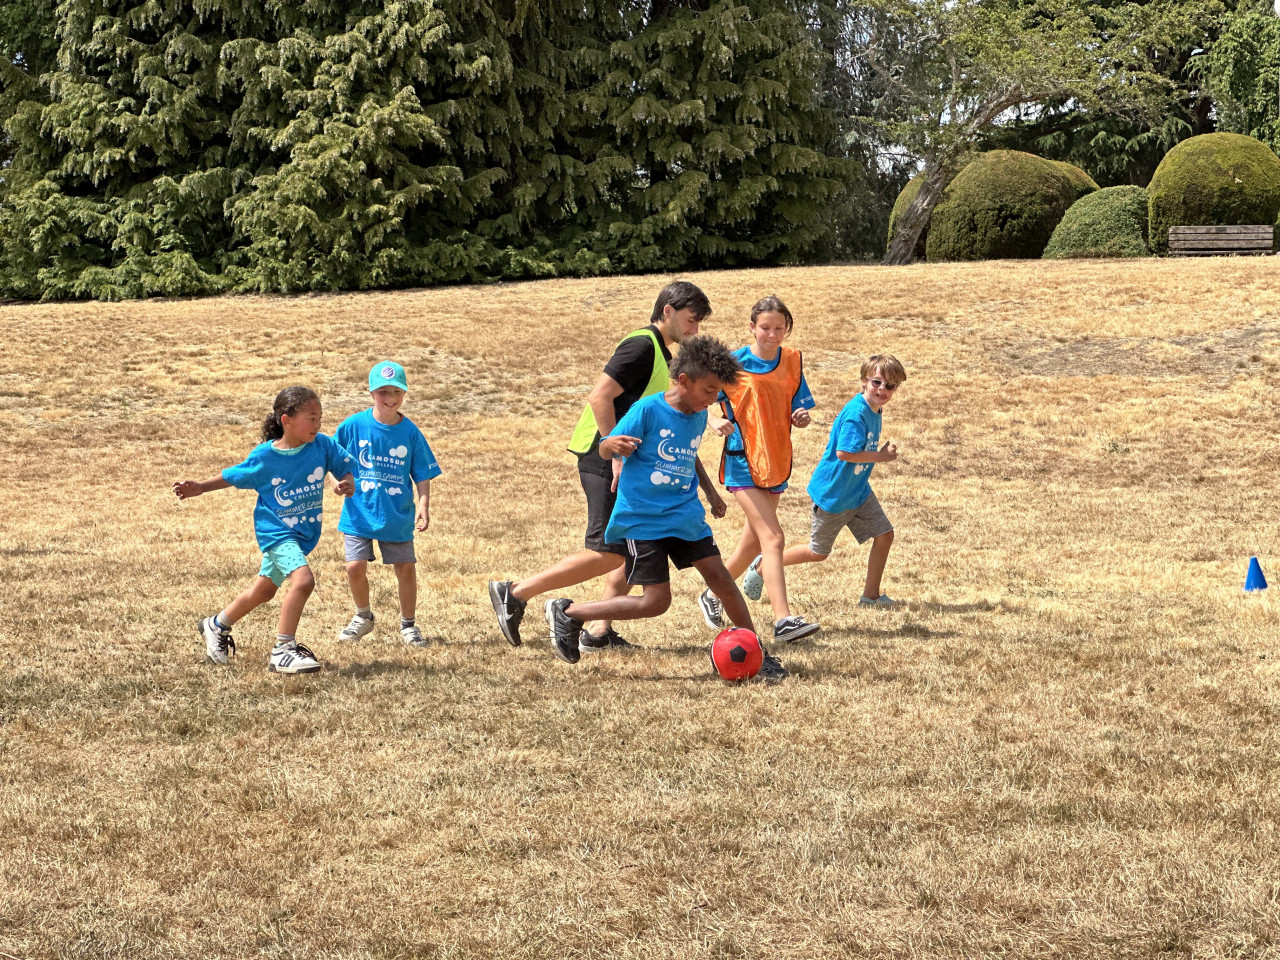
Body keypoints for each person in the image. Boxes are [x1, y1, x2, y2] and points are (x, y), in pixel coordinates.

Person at [488, 281, 729, 654]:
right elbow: (600, 396)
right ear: (667, 311)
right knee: (609, 552)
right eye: (691, 319)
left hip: (629, 458)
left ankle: (599, 631)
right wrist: (613, 453)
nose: (695, 329)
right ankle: (516, 592)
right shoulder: (641, 345)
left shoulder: (663, 354)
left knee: (625, 548)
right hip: (602, 454)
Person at [544, 335, 787, 681]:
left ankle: (757, 653)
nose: (713, 398)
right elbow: (606, 450)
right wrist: (608, 443)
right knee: (656, 602)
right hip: (643, 518)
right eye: (708, 390)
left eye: (718, 391)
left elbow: (691, 456)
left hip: (685, 515)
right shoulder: (647, 409)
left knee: (721, 578)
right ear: (684, 381)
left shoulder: (699, 414)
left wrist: (710, 493)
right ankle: (571, 613)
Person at [173, 386, 356, 674]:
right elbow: (233, 475)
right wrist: (200, 488)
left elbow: (344, 466)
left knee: (264, 591)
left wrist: (347, 482)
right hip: (277, 533)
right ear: (287, 420)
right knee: (304, 580)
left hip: (301, 535)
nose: (317, 425)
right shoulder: (266, 457)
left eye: (319, 418)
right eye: (311, 418)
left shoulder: (322, 444)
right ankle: (283, 650)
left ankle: (216, 624)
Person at [696, 295, 820, 644]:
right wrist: (713, 418)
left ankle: (712, 593)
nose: (772, 334)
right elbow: (700, 400)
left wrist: (802, 417)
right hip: (741, 460)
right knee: (774, 538)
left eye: (779, 328)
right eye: (765, 328)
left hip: (777, 460)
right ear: (752, 327)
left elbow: (799, 406)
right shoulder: (732, 363)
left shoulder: (793, 360)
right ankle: (783, 621)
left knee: (752, 546)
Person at [773, 354, 906, 607]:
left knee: (885, 534)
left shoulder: (874, 408)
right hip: (834, 495)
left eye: (890, 386)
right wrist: (880, 456)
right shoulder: (857, 414)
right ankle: (765, 564)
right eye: (877, 382)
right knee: (817, 553)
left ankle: (871, 596)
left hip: (857, 491)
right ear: (864, 381)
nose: (882, 389)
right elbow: (844, 453)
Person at [332, 361, 442, 647]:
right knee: (354, 567)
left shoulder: (410, 432)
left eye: (396, 390)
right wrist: (335, 483)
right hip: (359, 512)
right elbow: (331, 458)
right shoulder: (353, 426)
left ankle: (408, 625)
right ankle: (363, 616)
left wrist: (423, 504)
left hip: (397, 514)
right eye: (383, 391)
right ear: (371, 392)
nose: (390, 397)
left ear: (404, 394)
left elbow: (422, 472)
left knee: (405, 568)